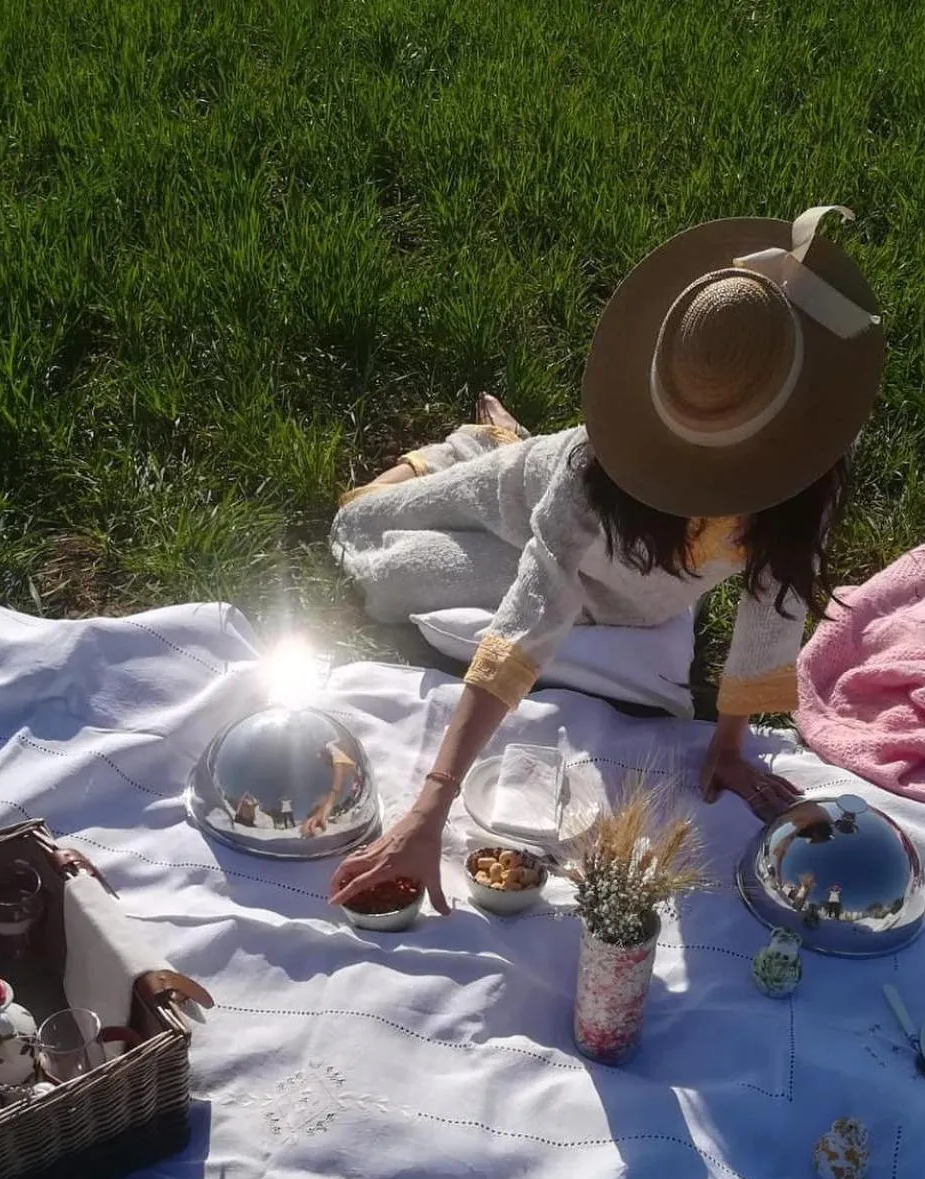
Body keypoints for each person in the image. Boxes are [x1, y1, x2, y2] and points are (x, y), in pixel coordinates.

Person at [329, 206, 885, 914]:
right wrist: (431, 802)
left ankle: (491, 444)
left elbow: (772, 602)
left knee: (414, 585)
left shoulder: (808, 473)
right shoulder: (594, 474)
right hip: (529, 495)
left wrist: (730, 742)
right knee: (366, 540)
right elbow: (533, 612)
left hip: (631, 599)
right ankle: (484, 446)